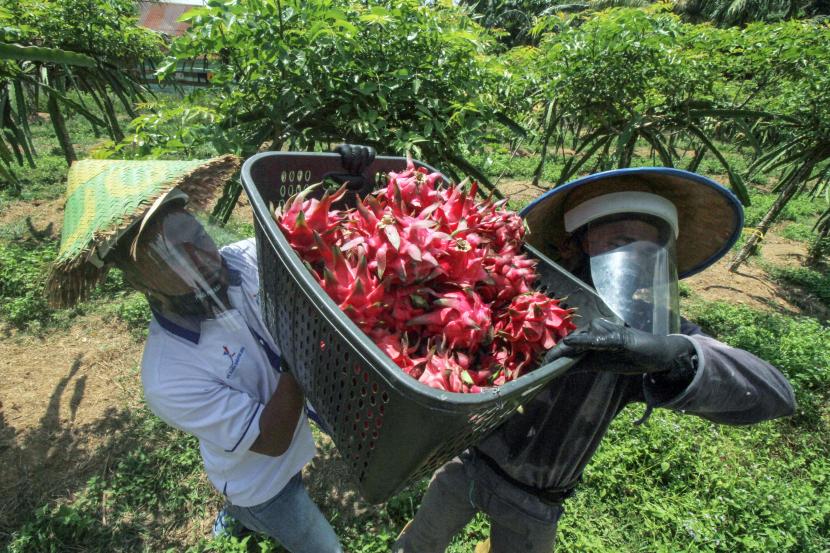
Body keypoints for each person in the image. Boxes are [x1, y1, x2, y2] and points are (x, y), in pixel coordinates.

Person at [393, 168, 797, 553]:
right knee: (419, 545)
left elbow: (774, 393)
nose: (635, 259)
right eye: (618, 242)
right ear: (585, 240)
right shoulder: (520, 287)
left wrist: (676, 357)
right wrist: (390, 195)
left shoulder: (644, 334)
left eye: (648, 249)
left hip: (536, 501)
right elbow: (436, 264)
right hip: (468, 461)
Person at [46, 157, 343, 553]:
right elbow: (271, 439)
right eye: (171, 257)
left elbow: (317, 238)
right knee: (320, 544)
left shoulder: (246, 259)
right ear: (138, 281)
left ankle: (235, 519)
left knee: (282, 483)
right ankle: (240, 515)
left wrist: (347, 188)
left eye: (197, 236)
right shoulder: (168, 376)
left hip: (290, 452)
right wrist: (300, 347)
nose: (203, 259)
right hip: (259, 484)